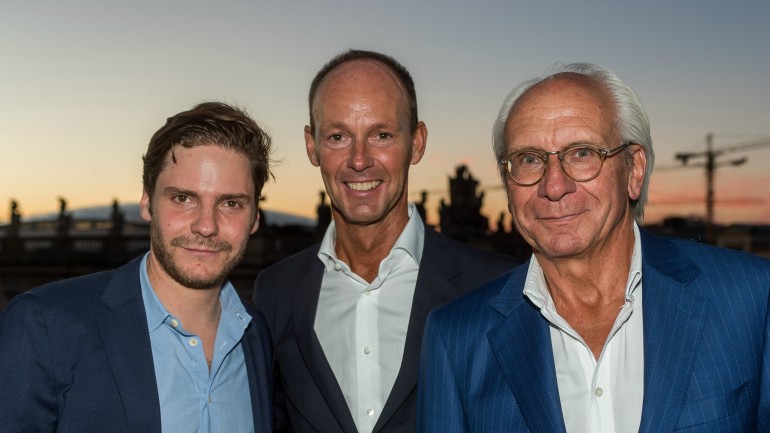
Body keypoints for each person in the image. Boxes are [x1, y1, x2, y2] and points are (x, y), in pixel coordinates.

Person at [417, 63, 770, 433]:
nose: (554, 186)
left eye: (582, 153)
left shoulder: (750, 298)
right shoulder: (456, 338)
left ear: (634, 169)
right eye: (529, 159)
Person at [252, 49, 515, 433]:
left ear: (417, 142)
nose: (360, 160)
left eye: (382, 135)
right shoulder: (274, 292)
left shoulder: (498, 288)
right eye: (338, 136)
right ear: (312, 146)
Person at [0, 102, 274, 432]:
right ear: (147, 203)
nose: (206, 226)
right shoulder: (46, 326)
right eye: (183, 198)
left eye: (231, 203)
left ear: (255, 217)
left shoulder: (258, 334)